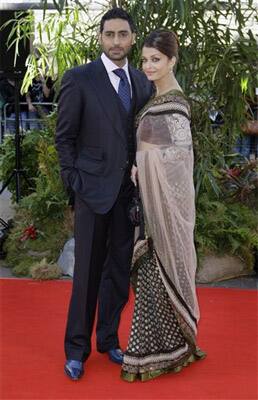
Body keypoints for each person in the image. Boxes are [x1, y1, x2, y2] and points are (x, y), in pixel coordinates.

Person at [55, 8, 152, 381]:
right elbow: (64, 137)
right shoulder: (79, 79)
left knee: (117, 272)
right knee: (87, 277)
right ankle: (75, 349)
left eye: (123, 35)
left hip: (129, 197)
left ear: (131, 38)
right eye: (109, 34)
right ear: (100, 38)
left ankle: (108, 338)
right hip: (91, 193)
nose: (116, 41)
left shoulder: (142, 82)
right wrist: (73, 182)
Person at [121, 30, 206, 382]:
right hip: (151, 197)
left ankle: (162, 350)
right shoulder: (155, 98)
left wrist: (149, 165)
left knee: (161, 264)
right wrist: (140, 163)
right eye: (144, 60)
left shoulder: (174, 102)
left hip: (167, 204)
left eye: (156, 59)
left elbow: (180, 159)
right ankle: (168, 347)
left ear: (172, 60)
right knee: (152, 269)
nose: (148, 65)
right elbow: (154, 146)